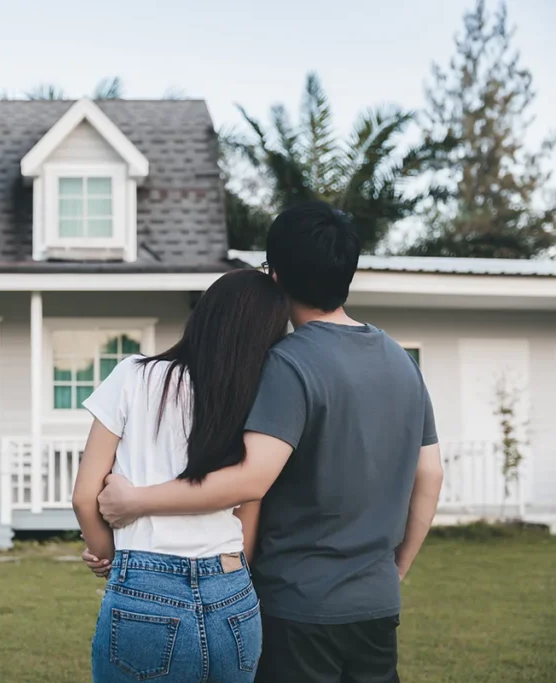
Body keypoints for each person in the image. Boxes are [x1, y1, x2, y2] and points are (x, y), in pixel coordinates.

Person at [84, 201, 445, 683]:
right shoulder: (402, 361)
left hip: (297, 607)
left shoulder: (286, 364)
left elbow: (251, 479)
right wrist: (393, 573)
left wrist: (135, 499)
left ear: (275, 276)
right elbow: (431, 474)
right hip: (375, 605)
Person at [72, 268, 290, 683]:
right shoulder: (257, 399)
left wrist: (112, 559)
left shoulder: (133, 375)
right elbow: (250, 503)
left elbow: (85, 497)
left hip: (146, 585)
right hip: (233, 591)